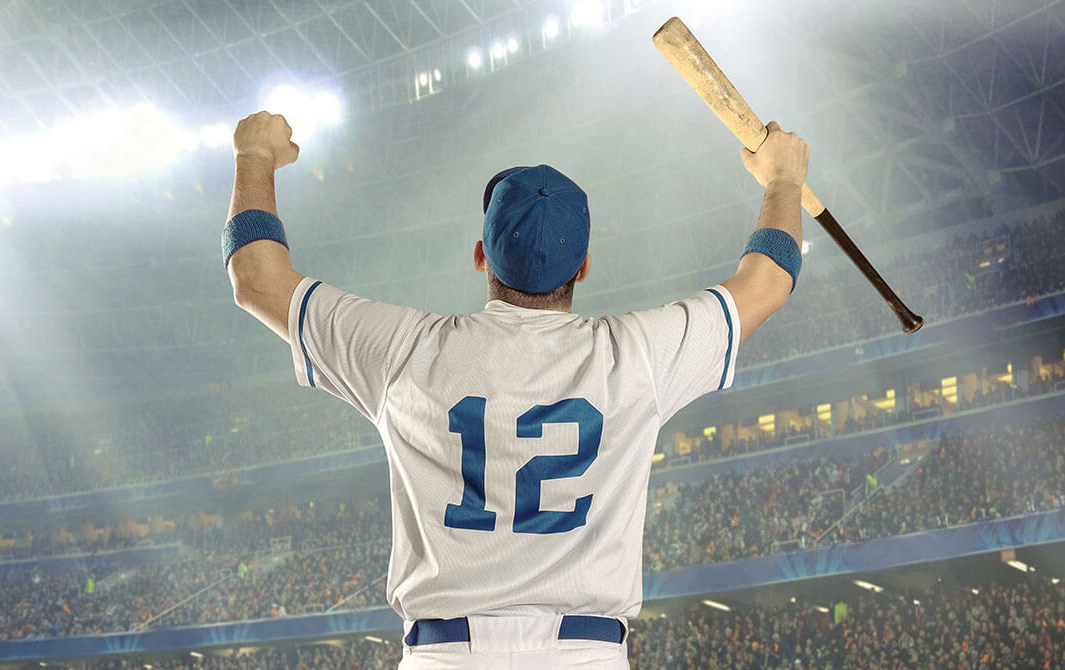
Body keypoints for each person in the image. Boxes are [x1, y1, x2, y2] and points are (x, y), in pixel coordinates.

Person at [221, 111, 808, 669]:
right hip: (585, 652)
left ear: (482, 256)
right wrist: (783, 177)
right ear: (582, 267)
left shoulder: (405, 350)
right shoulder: (636, 356)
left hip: (444, 652)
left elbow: (255, 277)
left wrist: (255, 154)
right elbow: (768, 280)